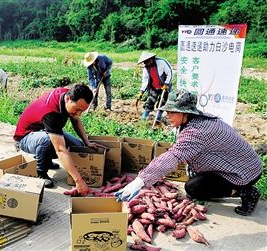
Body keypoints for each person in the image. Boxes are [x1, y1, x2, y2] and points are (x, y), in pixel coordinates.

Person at [116, 90, 263, 216]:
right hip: (241, 164)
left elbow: (172, 156)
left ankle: (246, 192)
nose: (168, 115)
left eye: (172, 112)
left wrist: (139, 181)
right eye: (167, 111)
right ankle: (235, 188)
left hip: (244, 172)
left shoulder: (197, 132)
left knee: (193, 189)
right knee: (193, 178)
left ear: (185, 112)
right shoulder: (198, 120)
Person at [13, 83, 104, 193]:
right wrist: (78, 180)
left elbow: (75, 120)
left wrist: (87, 142)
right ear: (68, 99)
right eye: (77, 109)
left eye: (82, 111)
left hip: (44, 130)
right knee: (49, 143)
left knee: (78, 147)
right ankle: (40, 172)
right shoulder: (51, 113)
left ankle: (46, 159)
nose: (78, 114)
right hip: (26, 137)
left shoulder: (67, 93)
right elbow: (60, 149)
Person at [137, 51, 173, 123]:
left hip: (164, 87)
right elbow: (145, 80)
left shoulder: (161, 62)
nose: (145, 64)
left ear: (151, 59)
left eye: (146, 61)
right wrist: (141, 92)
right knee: (150, 101)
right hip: (154, 87)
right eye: (144, 62)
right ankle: (144, 116)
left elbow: (170, 72)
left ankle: (158, 118)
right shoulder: (146, 68)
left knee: (162, 103)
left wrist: (166, 84)